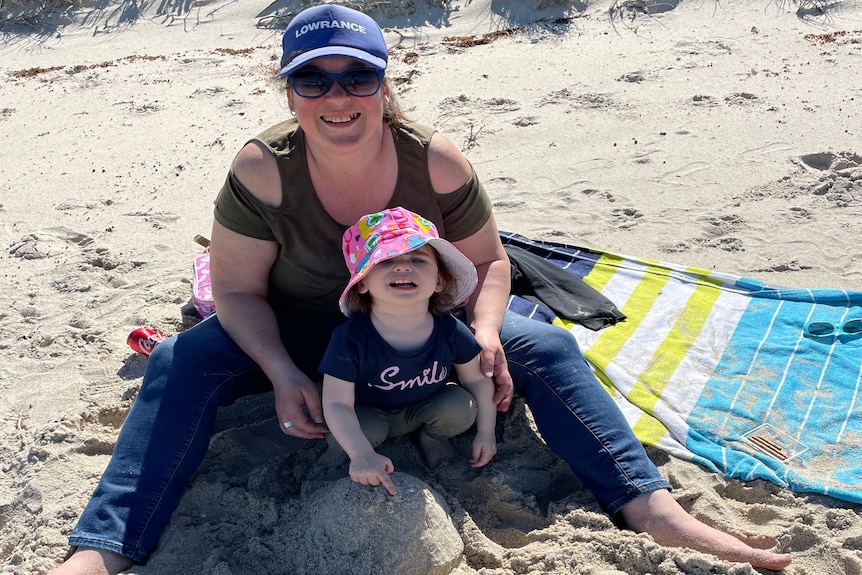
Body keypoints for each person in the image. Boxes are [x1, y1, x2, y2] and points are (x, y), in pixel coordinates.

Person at [50, 4, 792, 574]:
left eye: (357, 77)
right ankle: (107, 545)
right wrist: (279, 371)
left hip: (423, 325)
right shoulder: (261, 169)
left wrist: (492, 332)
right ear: (289, 88)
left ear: (384, 82)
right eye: (313, 79)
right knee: (182, 362)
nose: (336, 98)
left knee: (549, 348)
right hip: (306, 332)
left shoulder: (434, 161)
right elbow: (239, 290)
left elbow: (493, 263)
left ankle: (653, 509)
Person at [320, 207, 497, 495]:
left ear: (439, 280)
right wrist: (360, 452)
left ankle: (431, 438)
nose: (403, 267)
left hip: (424, 407)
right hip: (370, 414)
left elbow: (476, 380)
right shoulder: (350, 338)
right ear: (362, 282)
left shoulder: (449, 329)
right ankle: (352, 453)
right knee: (347, 436)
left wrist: (486, 432)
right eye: (386, 260)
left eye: (418, 259)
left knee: (460, 406)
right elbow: (337, 403)